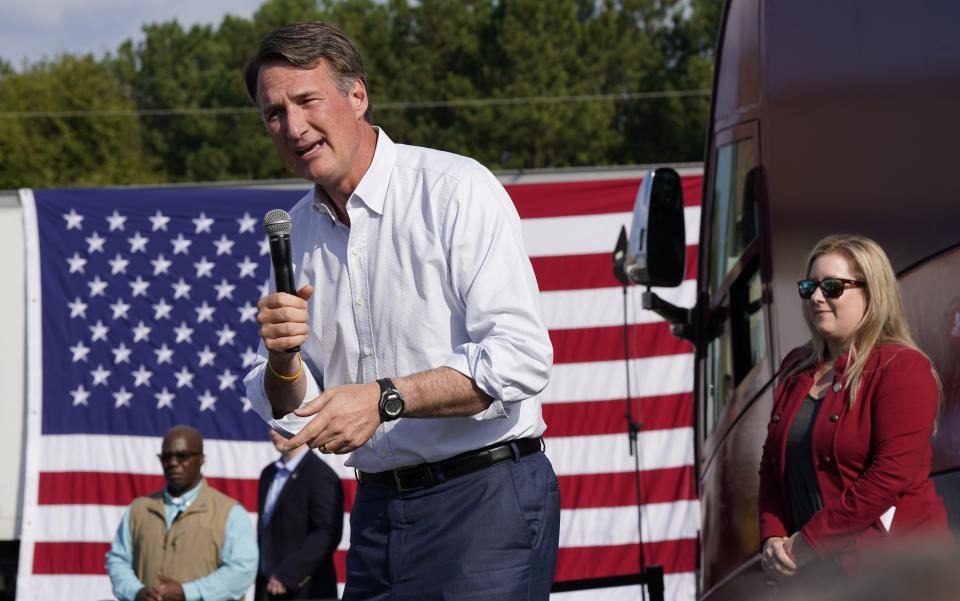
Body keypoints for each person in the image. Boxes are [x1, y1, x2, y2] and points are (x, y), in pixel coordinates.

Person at [241, 20, 560, 601]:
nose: (292, 127)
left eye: (307, 100)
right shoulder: (295, 233)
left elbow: (520, 361)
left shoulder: (455, 188)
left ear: (357, 95)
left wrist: (383, 397)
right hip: (377, 512)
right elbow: (293, 407)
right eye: (273, 114)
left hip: (485, 496)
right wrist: (282, 361)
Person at [757, 234, 951, 583]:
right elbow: (771, 465)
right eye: (809, 286)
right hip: (814, 577)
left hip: (897, 577)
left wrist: (806, 544)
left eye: (831, 286)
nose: (816, 297)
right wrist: (772, 537)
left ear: (871, 293)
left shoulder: (903, 367)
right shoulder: (794, 368)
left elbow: (887, 478)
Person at [105, 425, 258, 601]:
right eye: (166, 457)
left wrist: (188, 592)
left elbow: (242, 570)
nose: (173, 463)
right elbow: (118, 560)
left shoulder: (230, 512)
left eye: (183, 456)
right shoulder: (139, 509)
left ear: (201, 459)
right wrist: (135, 592)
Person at [256, 428, 343, 600]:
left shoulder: (321, 476)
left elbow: (326, 533)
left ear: (301, 427)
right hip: (267, 587)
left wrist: (287, 574)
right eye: (270, 426)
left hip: (306, 590)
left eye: (279, 426)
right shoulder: (268, 474)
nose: (273, 433)